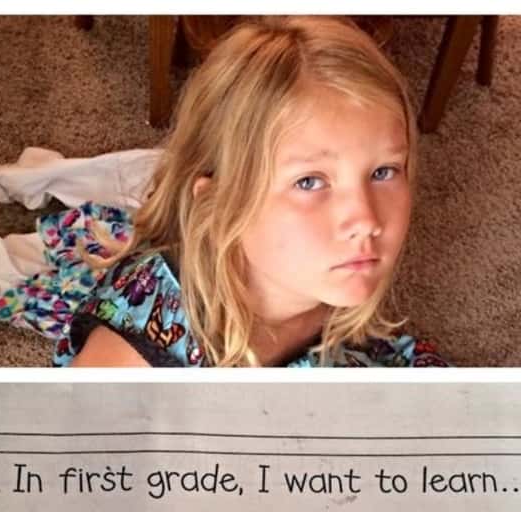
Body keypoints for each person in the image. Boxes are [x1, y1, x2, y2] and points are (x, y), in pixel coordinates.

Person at [57, 15, 448, 367]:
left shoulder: (316, 275)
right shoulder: (132, 368)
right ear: (218, 202)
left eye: (383, 171)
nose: (366, 220)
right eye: (309, 181)